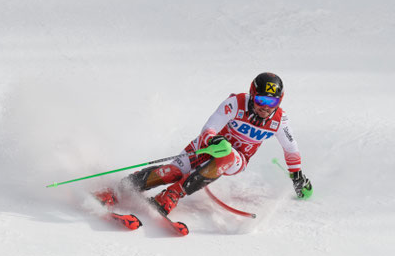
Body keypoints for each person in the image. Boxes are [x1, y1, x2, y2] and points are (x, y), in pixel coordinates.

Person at [95, 72, 313, 215]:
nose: (266, 107)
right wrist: (212, 139)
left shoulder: (279, 120)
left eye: (272, 102)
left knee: (226, 154)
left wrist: (297, 176)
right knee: (171, 171)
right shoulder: (235, 103)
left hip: (236, 158)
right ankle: (119, 188)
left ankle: (171, 195)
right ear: (252, 95)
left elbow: (291, 149)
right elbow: (209, 128)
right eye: (261, 100)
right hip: (208, 145)